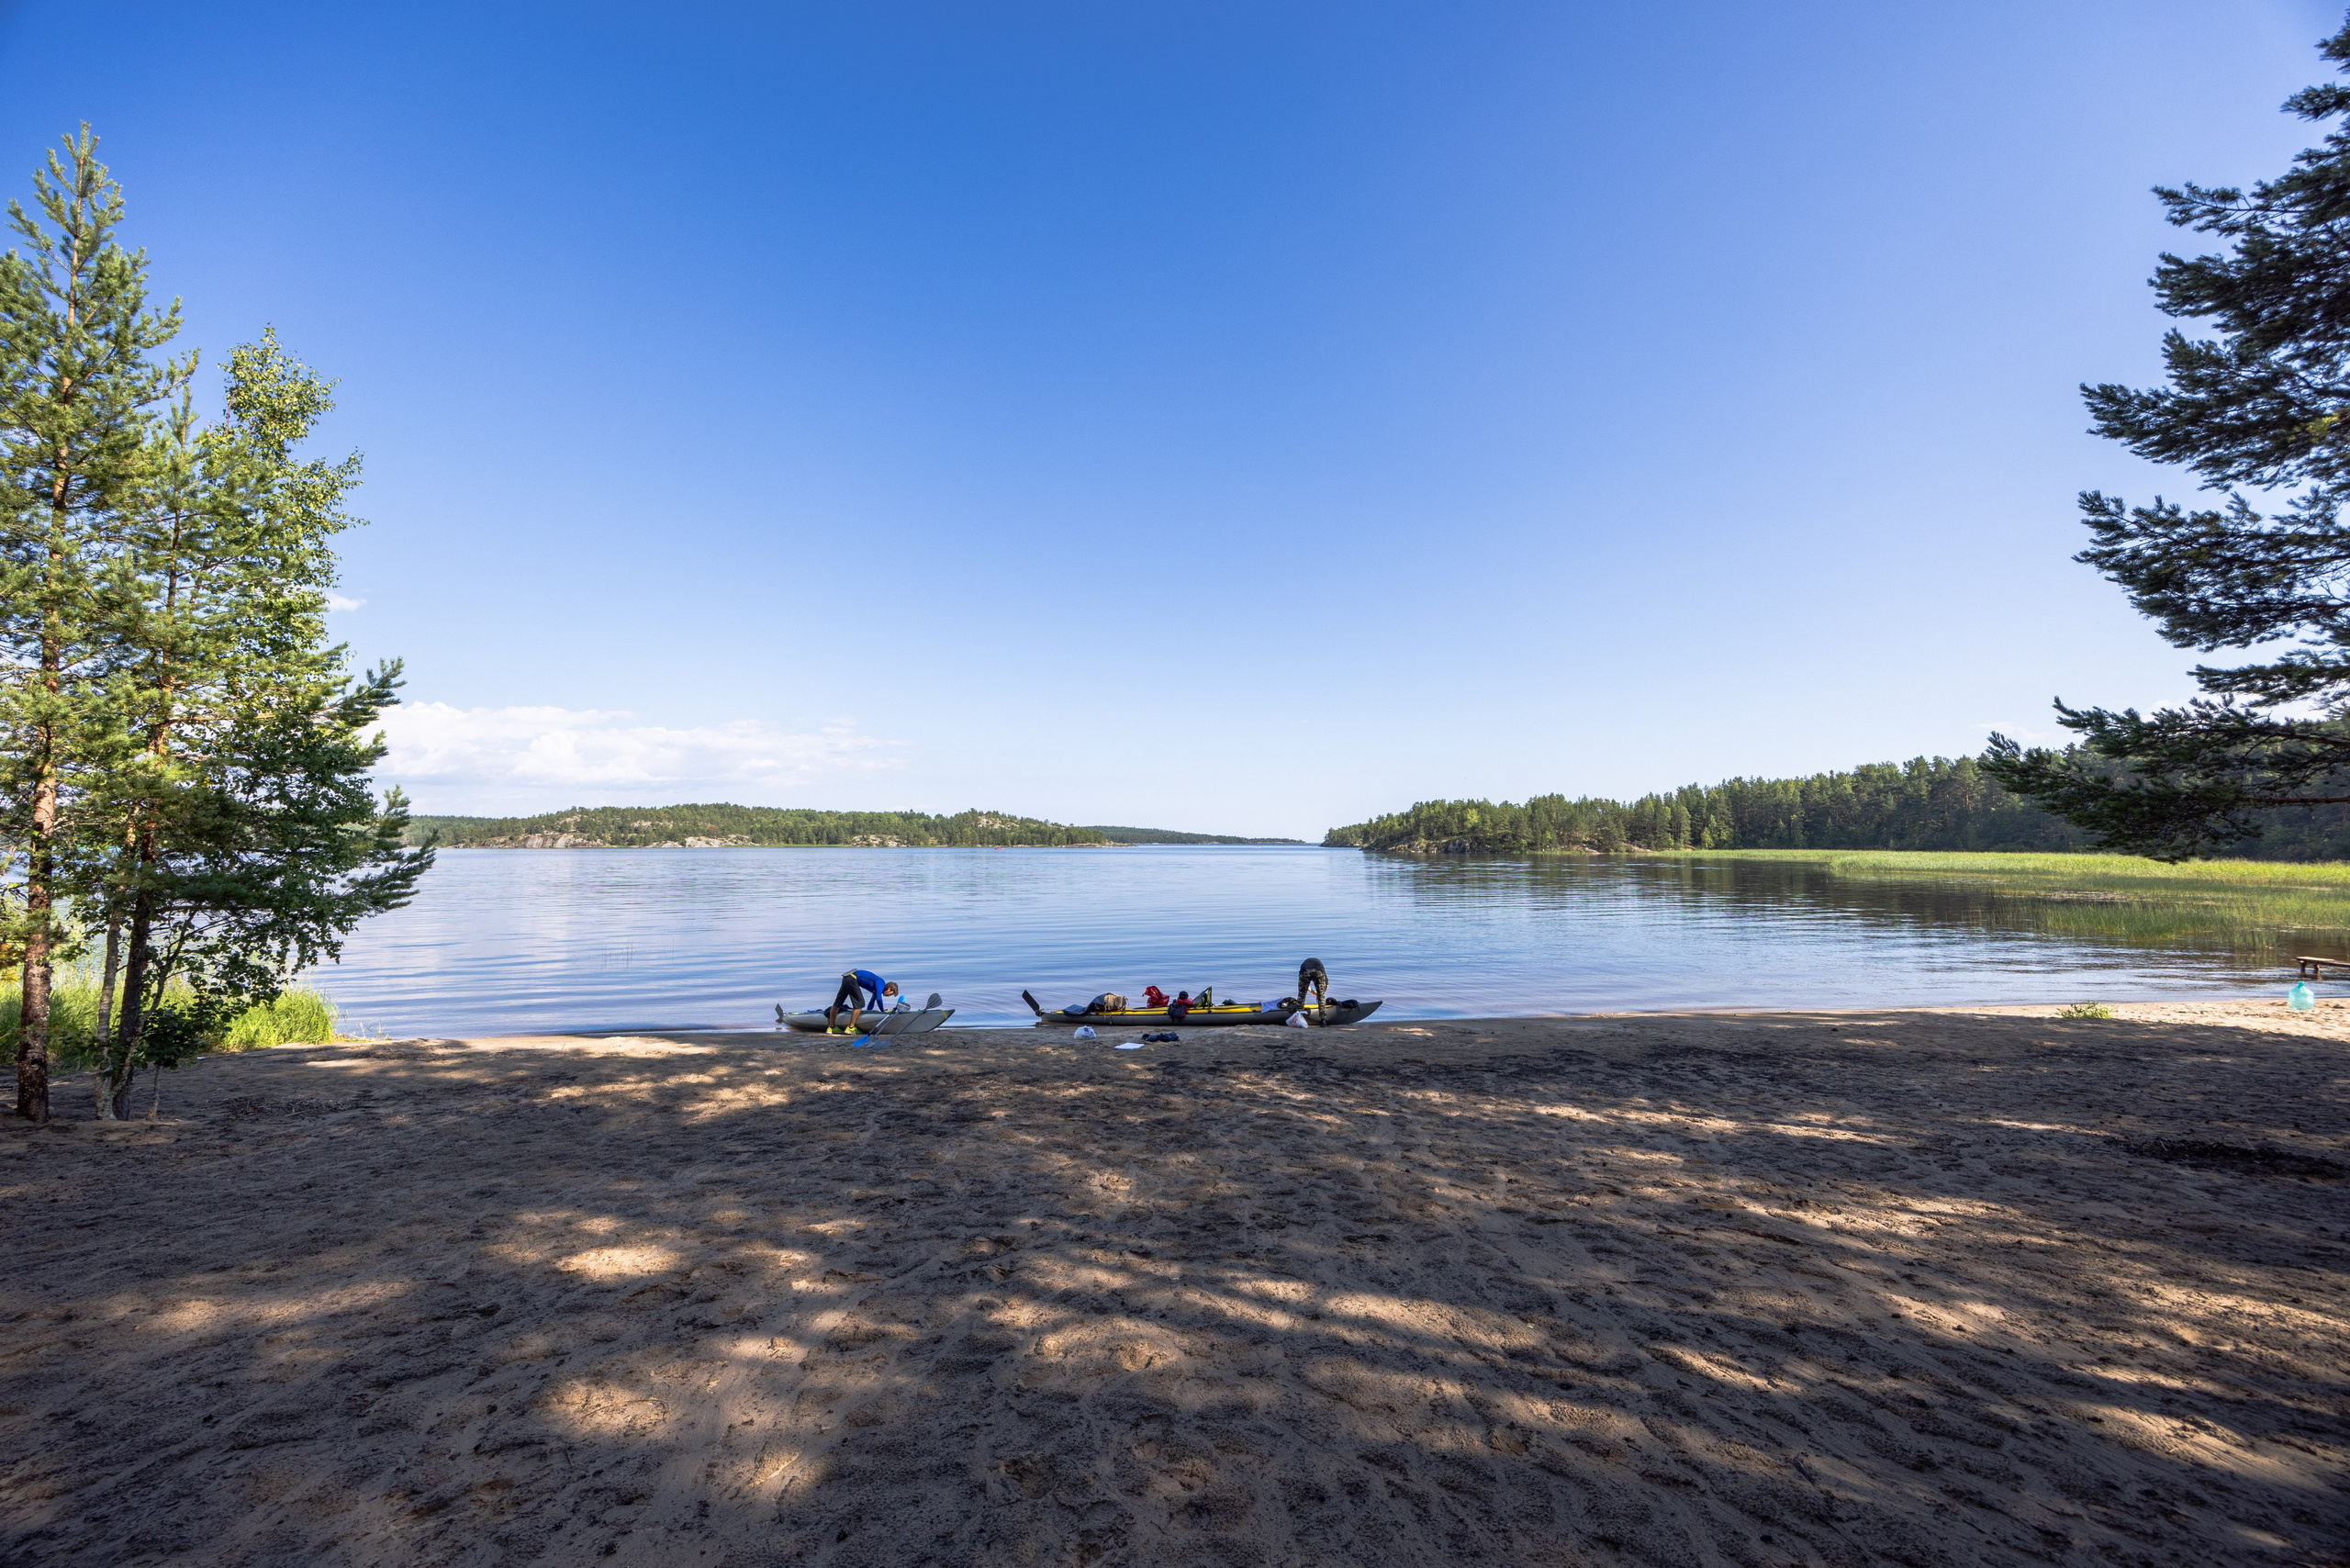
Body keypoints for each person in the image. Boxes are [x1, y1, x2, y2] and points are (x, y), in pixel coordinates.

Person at [827, 969, 899, 1034]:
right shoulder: (881, 983)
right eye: (890, 994)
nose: (889, 996)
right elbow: (879, 999)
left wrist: (868, 1013)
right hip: (853, 978)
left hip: (847, 977)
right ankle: (850, 1028)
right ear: (889, 988)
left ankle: (831, 1027)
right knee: (860, 1003)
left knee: (838, 1003)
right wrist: (882, 1011)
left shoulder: (877, 988)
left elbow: (872, 1002)